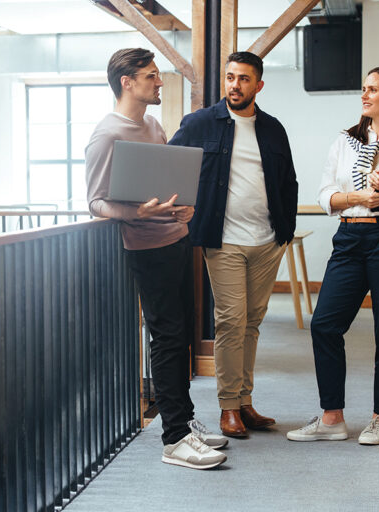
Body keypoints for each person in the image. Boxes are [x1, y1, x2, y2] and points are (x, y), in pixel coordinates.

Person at [85, 48, 227, 470]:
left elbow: (168, 181)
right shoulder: (107, 134)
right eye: (151, 76)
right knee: (166, 338)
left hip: (178, 238)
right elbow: (95, 202)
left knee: (179, 337)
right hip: (147, 248)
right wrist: (137, 213)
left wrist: (185, 207)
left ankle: (182, 422)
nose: (159, 82)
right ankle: (175, 439)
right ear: (127, 82)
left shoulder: (150, 124)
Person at [287, 66, 379, 445]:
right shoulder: (345, 141)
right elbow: (326, 195)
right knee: (324, 323)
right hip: (350, 238)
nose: (365, 95)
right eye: (364, 89)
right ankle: (332, 417)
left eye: (373, 89)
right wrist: (357, 198)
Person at [169, 51, 298, 437]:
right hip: (223, 240)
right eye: (229, 77)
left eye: (243, 79)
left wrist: (284, 231)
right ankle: (228, 407)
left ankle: (245, 402)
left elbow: (288, 181)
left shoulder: (273, 129)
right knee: (230, 322)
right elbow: (170, 166)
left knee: (252, 324)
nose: (234, 85)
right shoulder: (199, 124)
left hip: (267, 241)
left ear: (258, 85)